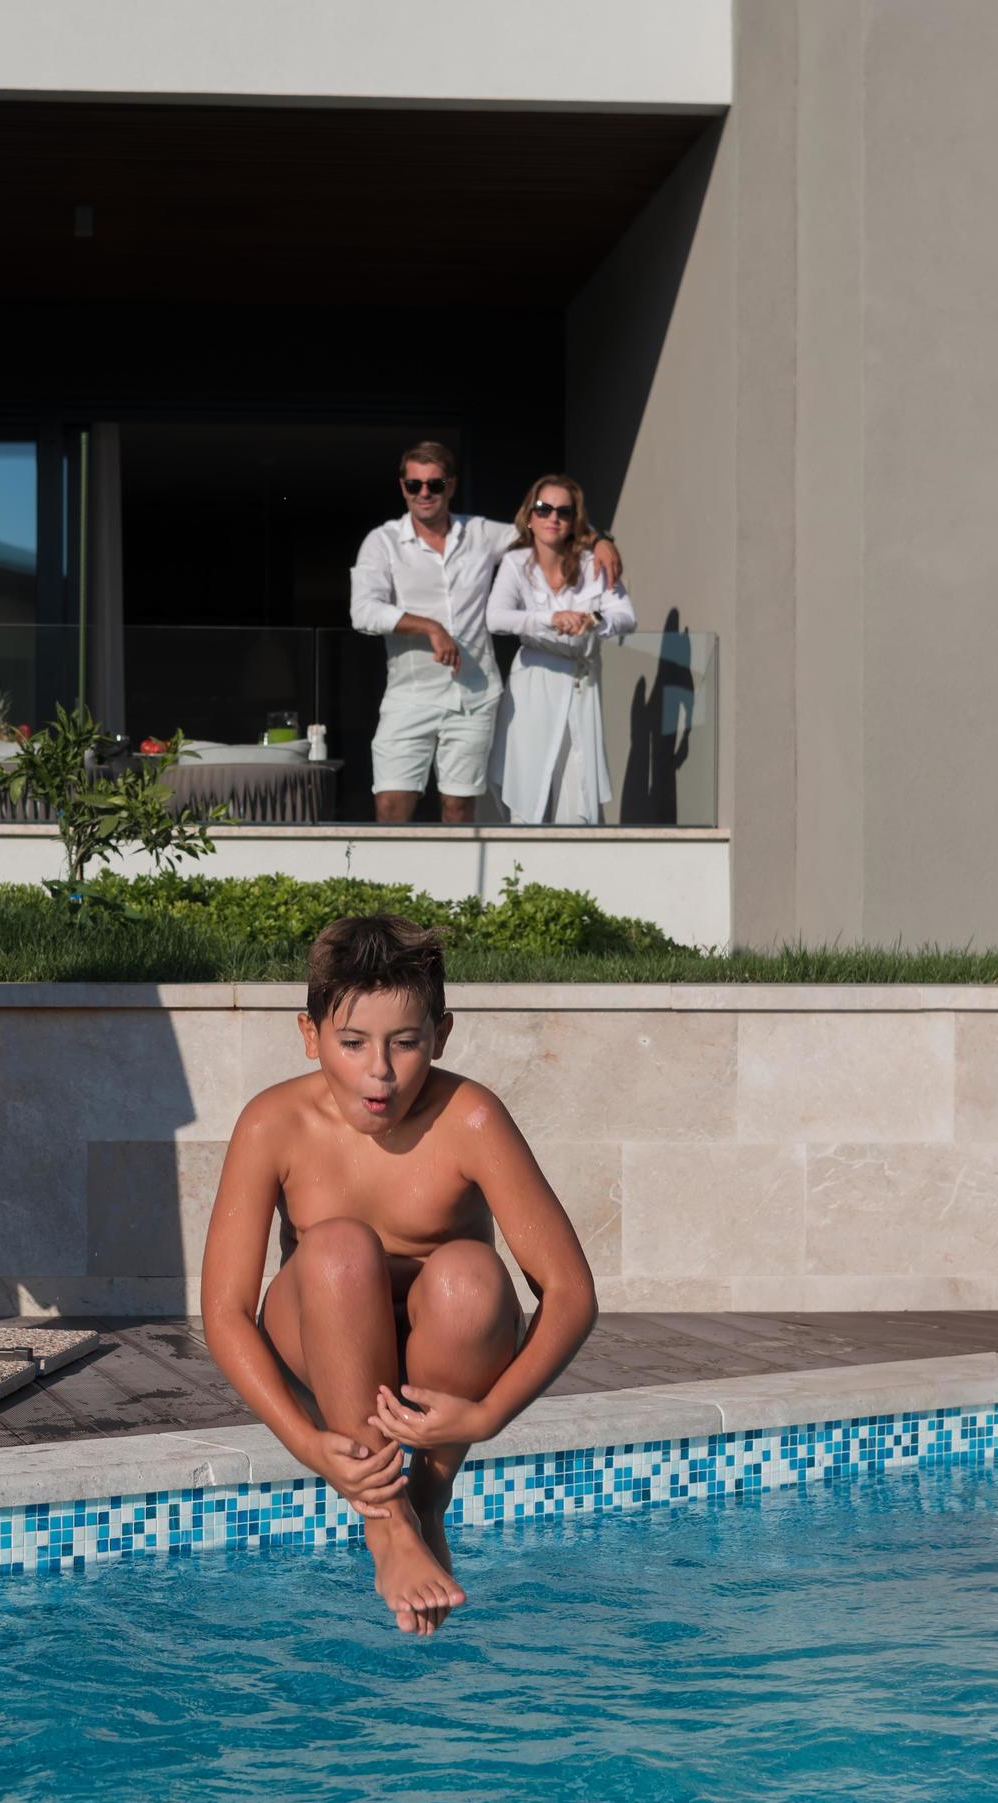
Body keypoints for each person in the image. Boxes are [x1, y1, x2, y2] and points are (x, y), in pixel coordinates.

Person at [198, 915, 599, 1635]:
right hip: (320, 1338)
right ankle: (385, 1522)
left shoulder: (470, 1118)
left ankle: (428, 1498)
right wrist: (305, 1443)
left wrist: (486, 1417)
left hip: (440, 1361)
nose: (379, 1073)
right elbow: (225, 1311)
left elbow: (570, 1294)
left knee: (471, 1275)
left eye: (406, 1044)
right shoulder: (274, 1123)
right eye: (352, 1044)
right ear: (310, 1033)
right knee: (339, 1247)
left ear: (441, 1035)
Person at [349, 441, 620, 824]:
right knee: (392, 804)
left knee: (459, 809)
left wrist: (601, 538)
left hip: (473, 695)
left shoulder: (478, 533)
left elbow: (543, 524)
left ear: (451, 486)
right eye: (415, 485)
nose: (424, 493)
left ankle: (454, 886)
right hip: (410, 694)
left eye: (435, 484)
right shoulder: (383, 542)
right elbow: (363, 611)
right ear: (403, 487)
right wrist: (429, 627)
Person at [490, 473, 635, 824]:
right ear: (530, 515)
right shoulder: (515, 563)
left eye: (564, 512)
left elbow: (626, 617)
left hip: (581, 681)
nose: (553, 518)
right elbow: (496, 618)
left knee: (579, 787)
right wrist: (549, 619)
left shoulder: (591, 564)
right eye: (544, 509)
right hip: (534, 679)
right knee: (527, 785)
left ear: (575, 519)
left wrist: (593, 619)